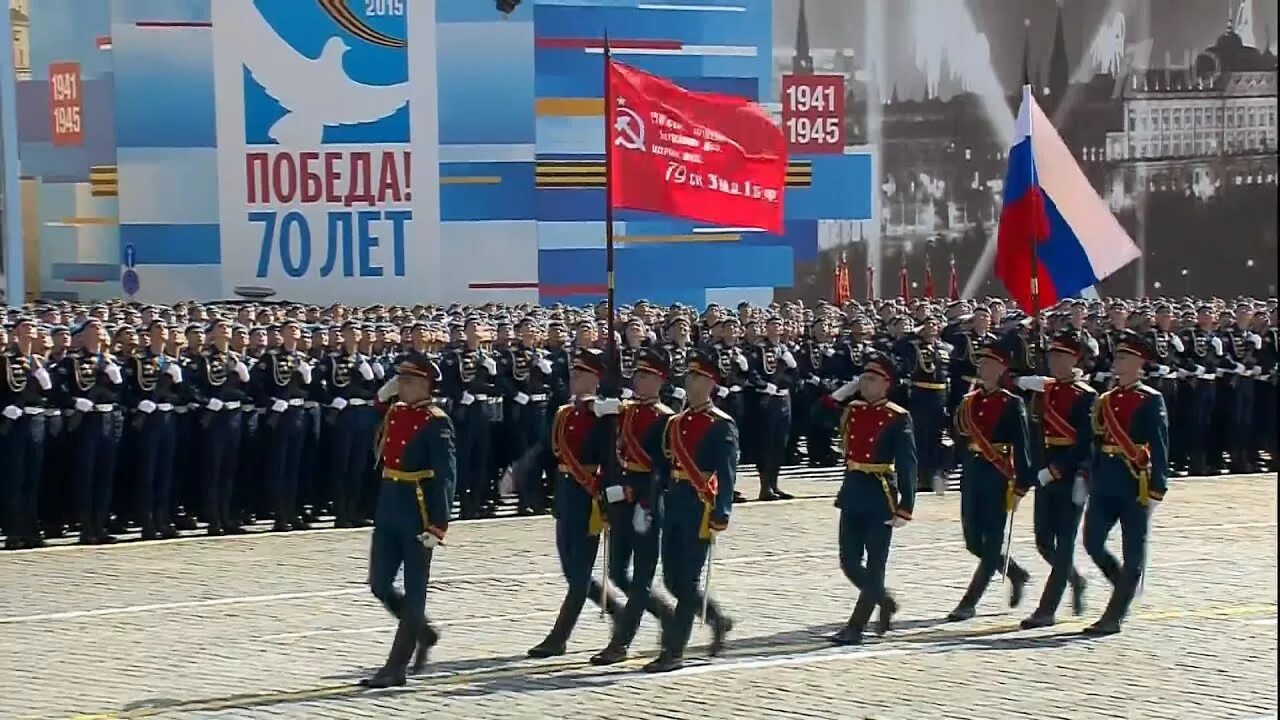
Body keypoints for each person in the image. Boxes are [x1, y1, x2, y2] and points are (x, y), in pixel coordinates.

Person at [363, 352, 456, 688]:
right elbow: (376, 406)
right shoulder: (397, 411)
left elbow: (446, 475)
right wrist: (385, 392)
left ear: (426, 385)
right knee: (379, 583)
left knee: (416, 591)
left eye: (408, 381)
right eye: (400, 380)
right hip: (390, 503)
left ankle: (395, 667)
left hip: (418, 509)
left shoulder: (436, 420)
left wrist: (438, 524)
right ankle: (425, 632)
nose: (401, 386)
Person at [527, 348, 624, 658]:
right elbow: (548, 450)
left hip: (589, 496)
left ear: (597, 379)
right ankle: (619, 611)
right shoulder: (563, 412)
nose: (575, 379)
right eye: (573, 373)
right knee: (572, 571)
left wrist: (610, 498)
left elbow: (611, 460)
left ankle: (559, 636)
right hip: (566, 494)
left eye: (582, 374)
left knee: (580, 573)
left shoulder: (604, 414)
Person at [646, 349, 737, 673]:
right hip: (674, 502)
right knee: (672, 579)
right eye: (689, 375)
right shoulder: (675, 421)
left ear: (711, 383)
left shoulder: (720, 425)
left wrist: (721, 512)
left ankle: (674, 650)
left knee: (687, 577)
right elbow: (664, 465)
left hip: (700, 507)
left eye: (698, 376)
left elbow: (726, 474)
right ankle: (716, 618)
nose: (691, 380)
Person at [823, 352, 916, 645]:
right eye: (863, 377)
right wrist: (843, 393)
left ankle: (856, 627)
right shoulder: (853, 410)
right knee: (849, 561)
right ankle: (883, 599)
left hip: (880, 493)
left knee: (876, 563)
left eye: (872, 379)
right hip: (853, 490)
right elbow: (819, 413)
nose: (865, 383)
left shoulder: (897, 417)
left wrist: (906, 506)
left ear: (887, 384)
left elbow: (907, 463)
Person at [590, 349, 676, 666]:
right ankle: (665, 612)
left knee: (641, 576)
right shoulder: (624, 412)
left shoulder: (665, 417)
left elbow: (664, 469)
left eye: (645, 376)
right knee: (616, 569)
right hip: (621, 496)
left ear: (659, 380)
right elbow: (610, 452)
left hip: (647, 499)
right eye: (636, 375)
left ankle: (620, 643)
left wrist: (646, 502)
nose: (638, 381)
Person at [1080, 330, 1169, 636]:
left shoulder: (1150, 399)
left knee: (1134, 551)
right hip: (1105, 480)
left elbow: (1159, 444)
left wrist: (1158, 487)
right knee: (1091, 541)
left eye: (1124, 358)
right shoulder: (1105, 399)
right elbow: (1097, 440)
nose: (1117, 362)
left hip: (1135, 481)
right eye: (1116, 356)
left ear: (1139, 363)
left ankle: (1114, 615)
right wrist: (1088, 474)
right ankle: (1123, 585)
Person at [947, 336, 1034, 621]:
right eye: (981, 362)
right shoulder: (968, 402)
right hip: (973, 471)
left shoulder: (1012, 403)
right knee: (973, 540)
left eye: (988, 363)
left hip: (999, 474)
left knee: (993, 540)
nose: (982, 367)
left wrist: (1022, 482)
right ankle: (1016, 572)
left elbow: (1023, 443)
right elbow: (959, 437)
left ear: (1001, 368)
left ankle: (969, 602)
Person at [1013, 330, 1095, 627]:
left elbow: (1086, 443)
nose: (1054, 361)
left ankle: (1047, 609)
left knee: (1064, 543)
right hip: (1044, 471)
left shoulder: (1086, 396)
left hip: (1071, 475)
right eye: (1051, 356)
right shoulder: (1044, 390)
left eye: (1060, 356)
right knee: (1043, 540)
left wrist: (1057, 470)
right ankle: (1074, 578)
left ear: (1074, 359)